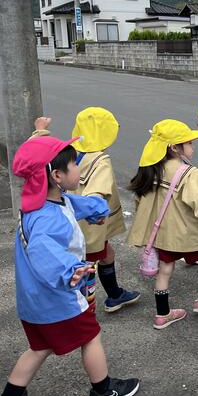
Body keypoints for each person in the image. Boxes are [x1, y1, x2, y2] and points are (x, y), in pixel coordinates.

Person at [1, 136, 139, 396]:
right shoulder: (47, 218)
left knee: (40, 347)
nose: (79, 168)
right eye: (75, 164)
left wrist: (98, 211)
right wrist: (70, 270)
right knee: (91, 336)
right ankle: (102, 391)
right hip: (59, 299)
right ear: (57, 175)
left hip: (35, 301)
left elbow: (77, 205)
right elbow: (42, 250)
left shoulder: (45, 202)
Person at [31, 109, 139, 313]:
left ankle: (114, 295)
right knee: (87, 267)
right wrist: (96, 212)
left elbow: (39, 152)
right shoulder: (100, 160)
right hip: (90, 226)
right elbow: (98, 192)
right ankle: (85, 307)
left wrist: (40, 131)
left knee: (106, 254)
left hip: (69, 219)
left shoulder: (68, 152)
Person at [127, 120, 198, 330]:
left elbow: (142, 203)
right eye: (188, 143)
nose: (192, 146)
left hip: (164, 234)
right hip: (190, 233)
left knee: (165, 269)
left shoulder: (152, 170)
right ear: (174, 148)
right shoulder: (189, 173)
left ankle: (162, 314)